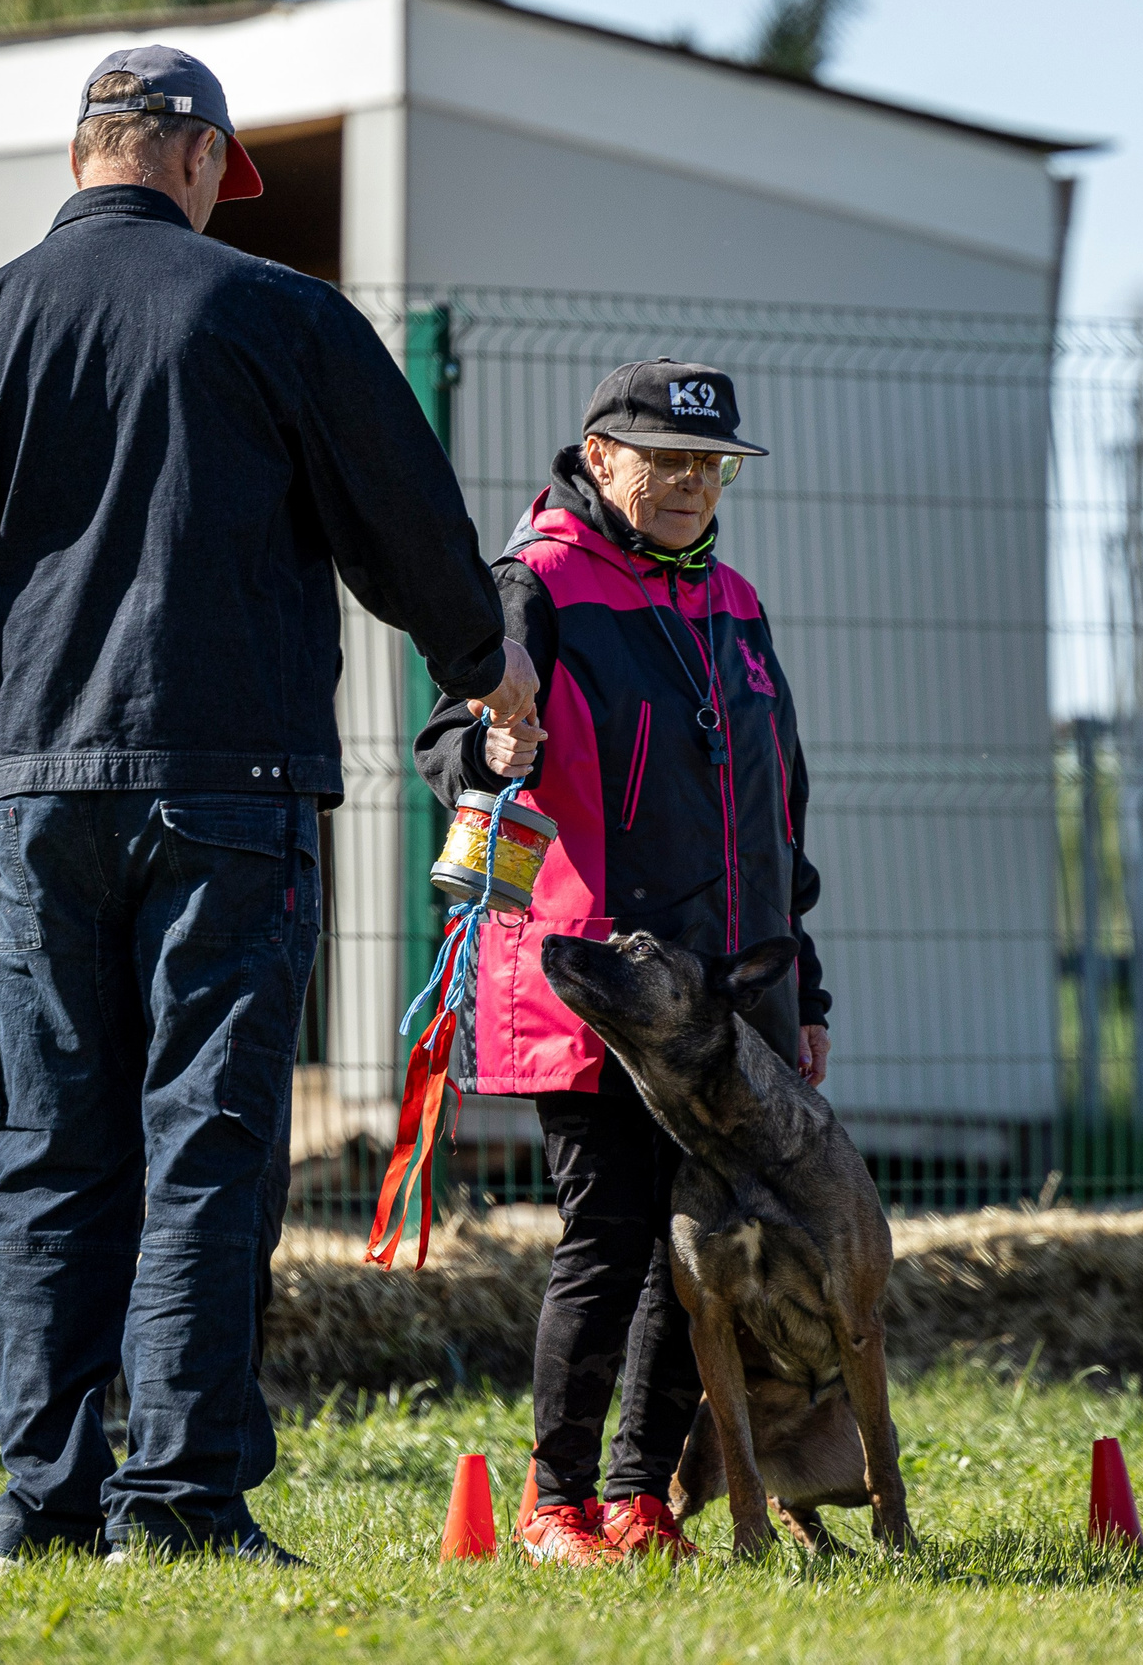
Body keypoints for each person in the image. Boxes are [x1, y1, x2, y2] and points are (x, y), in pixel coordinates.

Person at [0, 45, 538, 1565]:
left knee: (52, 1154)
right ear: (201, 161)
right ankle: (177, 1495)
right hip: (232, 793)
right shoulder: (279, 313)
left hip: (33, 805)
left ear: (88, 150)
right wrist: (487, 668)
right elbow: (408, 530)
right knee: (207, 1142)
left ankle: (44, 1498)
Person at [416, 360, 833, 1564]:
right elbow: (450, 748)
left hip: (733, 1000)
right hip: (596, 985)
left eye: (711, 467)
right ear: (599, 458)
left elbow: (780, 814)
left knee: (689, 1247)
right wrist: (494, 751)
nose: (692, 486)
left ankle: (640, 1496)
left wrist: (802, 986)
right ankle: (555, 1505)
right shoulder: (532, 585)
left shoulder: (737, 605)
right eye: (666, 462)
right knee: (610, 1234)